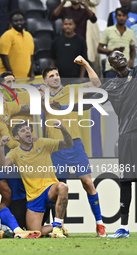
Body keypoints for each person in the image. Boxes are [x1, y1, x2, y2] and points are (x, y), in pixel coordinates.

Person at [40, 55, 106, 237]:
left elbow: (97, 84)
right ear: (46, 81)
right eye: (51, 76)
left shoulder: (71, 90)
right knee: (58, 188)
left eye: (57, 74)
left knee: (88, 183)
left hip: (74, 145)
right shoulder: (40, 95)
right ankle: (58, 226)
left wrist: (85, 63)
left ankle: (100, 224)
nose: (56, 77)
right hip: (54, 148)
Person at [74, 50, 137, 238]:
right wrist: (65, 105)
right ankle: (124, 228)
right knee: (126, 182)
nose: (121, 58)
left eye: (122, 55)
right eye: (115, 58)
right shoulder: (110, 86)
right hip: (126, 136)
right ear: (112, 66)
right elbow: (88, 104)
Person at [0, 121, 73, 238]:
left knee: (63, 186)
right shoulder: (16, 152)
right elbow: (2, 166)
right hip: (34, 197)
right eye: (23, 130)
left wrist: (63, 129)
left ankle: (58, 226)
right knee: (35, 232)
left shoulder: (42, 143)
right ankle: (58, 228)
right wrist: (2, 146)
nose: (27, 131)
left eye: (28, 129)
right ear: (17, 137)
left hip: (49, 188)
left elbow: (68, 144)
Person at [98, 7, 135, 78]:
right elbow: (99, 48)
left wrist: (131, 60)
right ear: (115, 17)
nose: (121, 18)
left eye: (123, 16)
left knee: (128, 89)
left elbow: (133, 49)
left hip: (126, 69)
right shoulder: (108, 31)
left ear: (127, 17)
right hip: (111, 68)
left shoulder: (130, 32)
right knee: (110, 88)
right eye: (119, 15)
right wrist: (112, 51)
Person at [0, 10, 34, 79]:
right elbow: (4, 56)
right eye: (16, 21)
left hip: (23, 77)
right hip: (7, 77)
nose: (19, 22)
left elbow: (31, 56)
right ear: (11, 23)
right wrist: (10, 74)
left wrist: (31, 72)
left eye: (21, 20)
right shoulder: (7, 35)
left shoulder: (29, 36)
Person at [51, 16, 88, 82]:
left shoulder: (80, 41)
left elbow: (84, 61)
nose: (68, 26)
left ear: (74, 25)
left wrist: (81, 78)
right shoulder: (56, 41)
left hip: (75, 78)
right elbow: (53, 60)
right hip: (60, 78)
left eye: (70, 24)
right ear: (62, 25)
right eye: (65, 24)